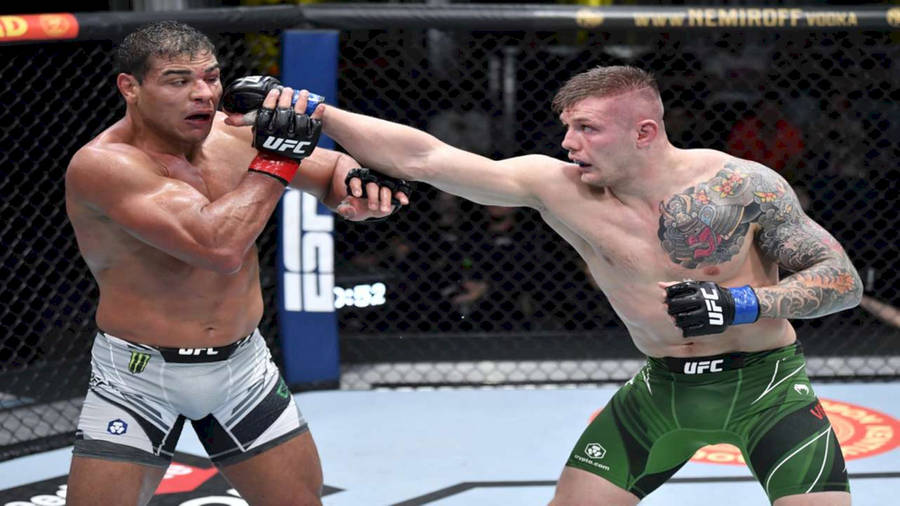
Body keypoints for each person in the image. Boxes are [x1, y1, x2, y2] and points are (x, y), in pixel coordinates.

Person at [314, 65, 862, 505]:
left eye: (587, 129)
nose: (568, 142)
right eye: (568, 127)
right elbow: (425, 157)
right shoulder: (558, 188)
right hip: (663, 391)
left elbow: (842, 280)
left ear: (644, 132)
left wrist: (741, 302)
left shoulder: (740, 186)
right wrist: (317, 111)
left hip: (767, 390)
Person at [64, 21, 408, 506]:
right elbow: (219, 247)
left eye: (211, 77)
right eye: (178, 81)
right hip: (138, 378)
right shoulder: (105, 165)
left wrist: (358, 190)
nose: (203, 94)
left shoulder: (231, 137)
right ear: (130, 87)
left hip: (243, 370)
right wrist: (276, 159)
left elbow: (330, 167)